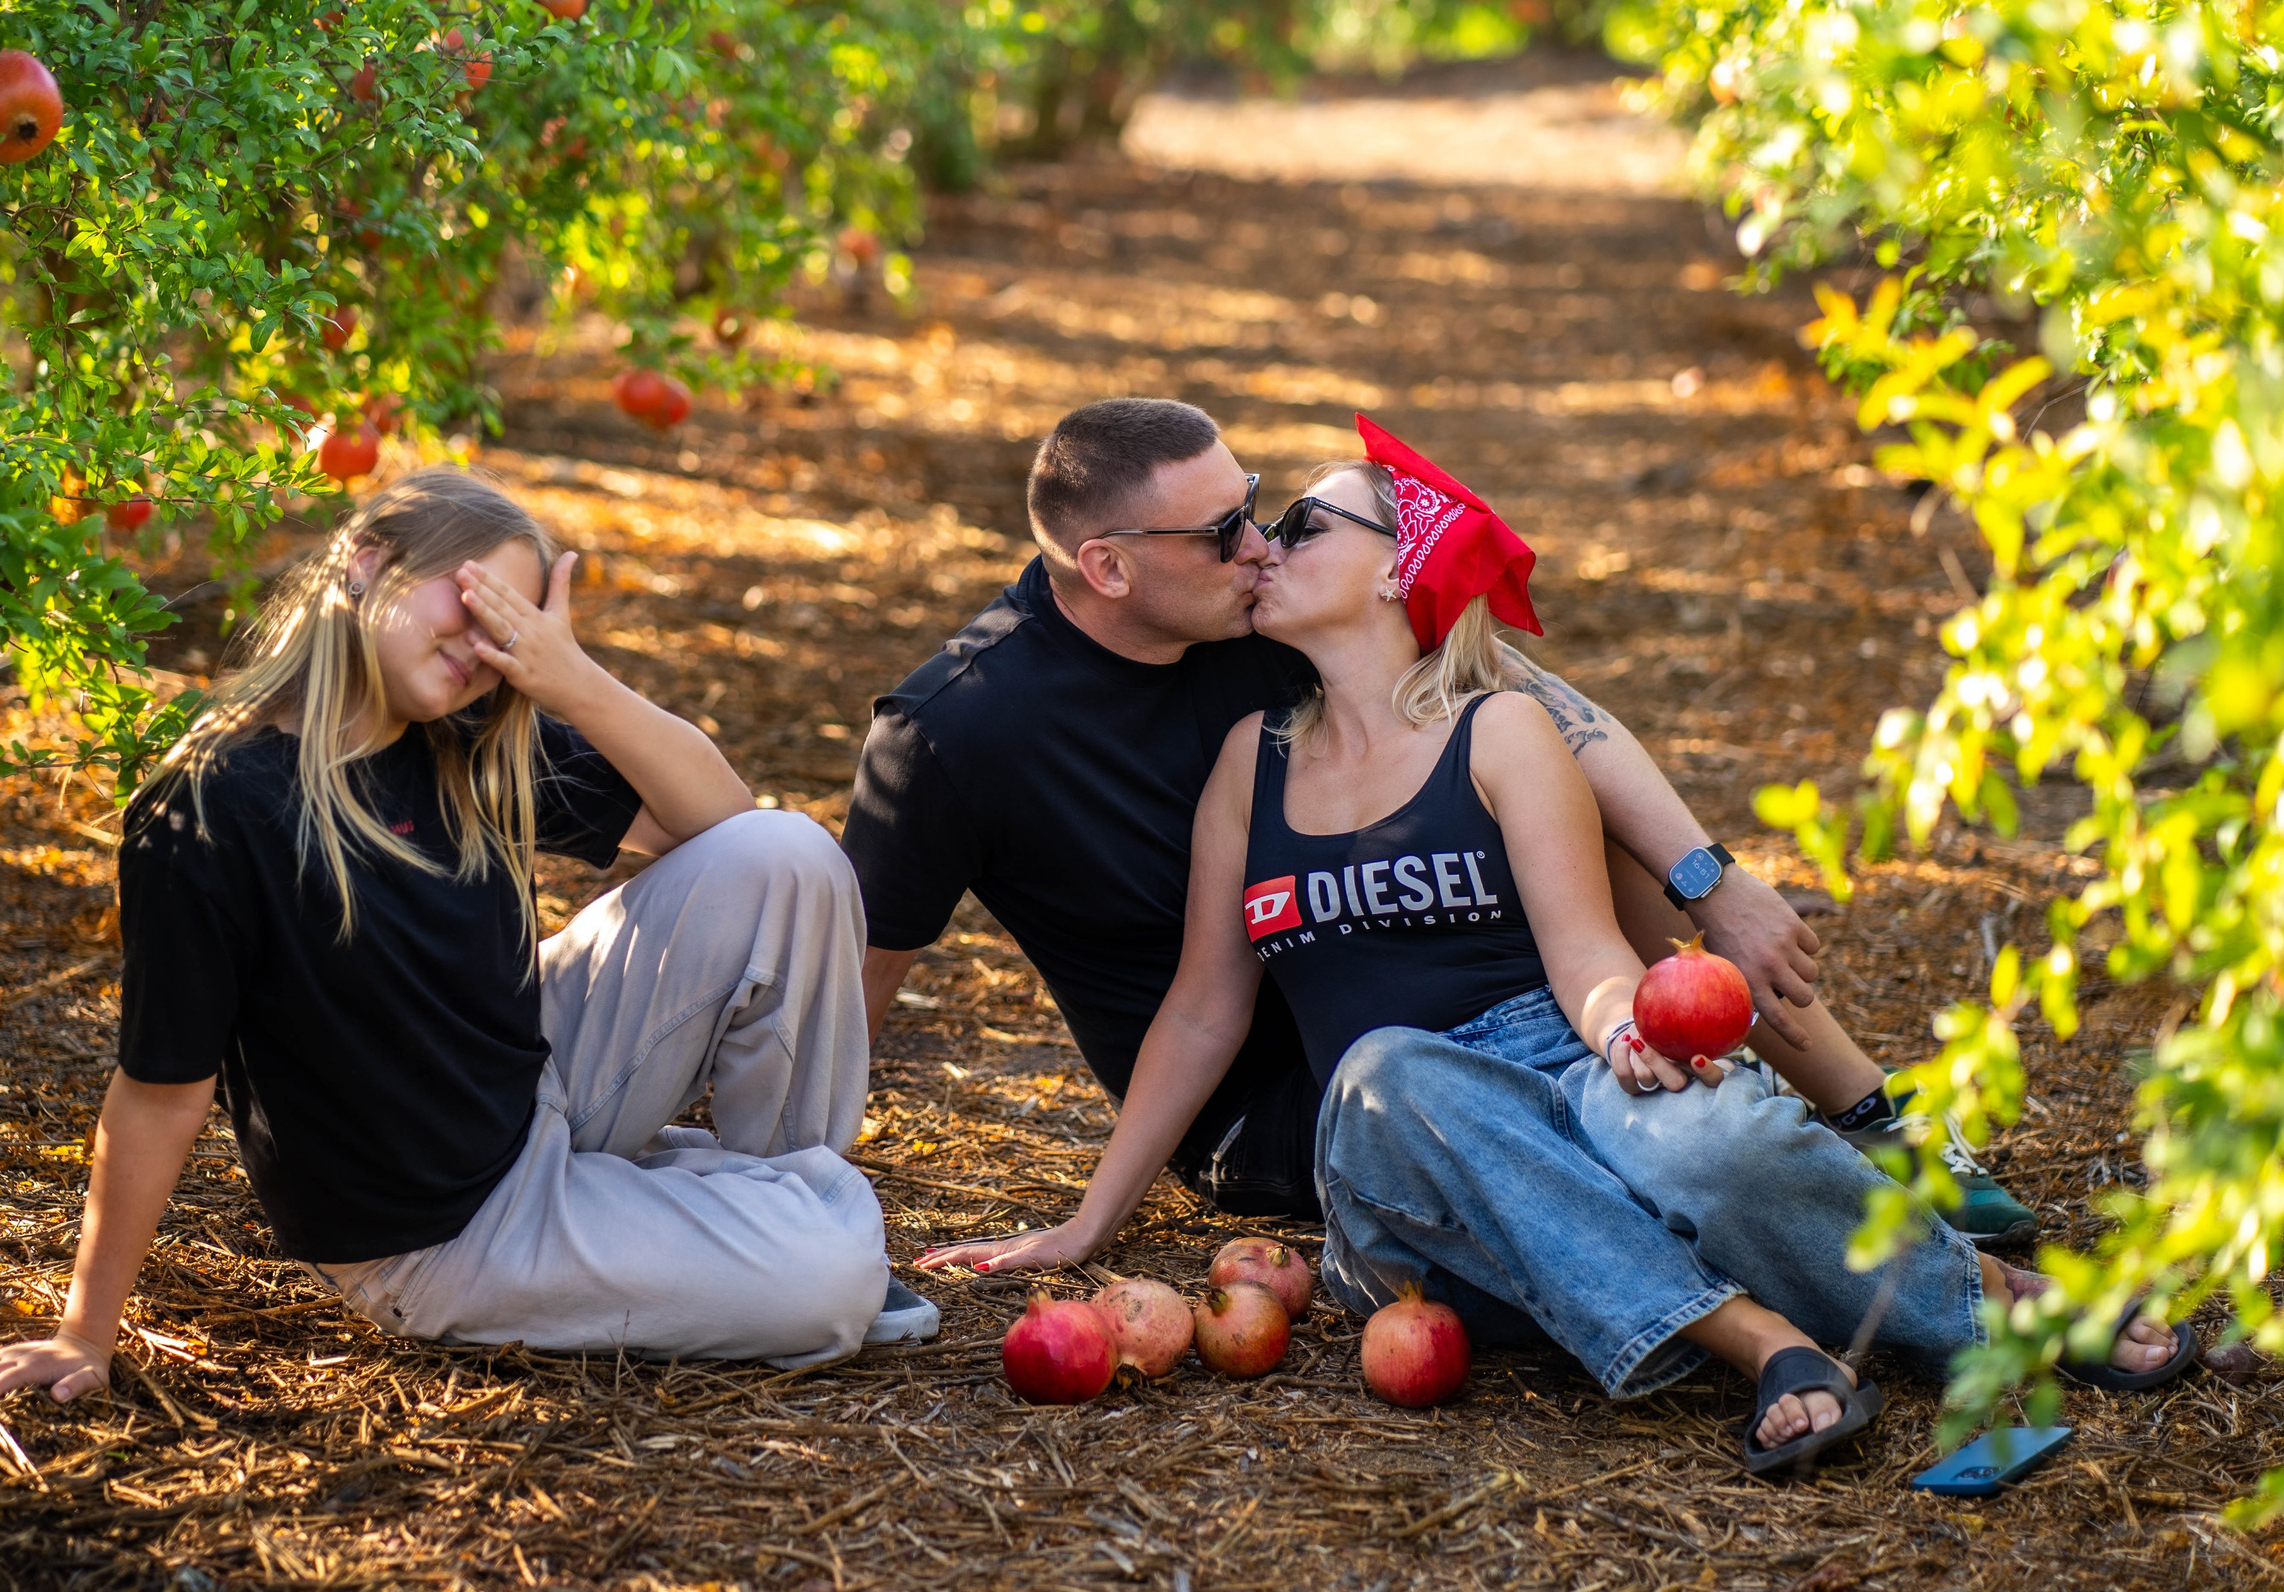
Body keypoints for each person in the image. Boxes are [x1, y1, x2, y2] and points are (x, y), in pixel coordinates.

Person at [921, 427, 2194, 1475]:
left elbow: (1586, 954)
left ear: (1389, 574)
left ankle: (1988, 1303)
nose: (1264, 541)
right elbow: (1203, 1010)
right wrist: (1090, 1220)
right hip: (1410, 1138)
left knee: (1716, 1138)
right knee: (1384, 1070)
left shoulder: (1499, 732)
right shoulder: (1245, 771)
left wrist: (1623, 1028)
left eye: (1305, 521)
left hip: (1562, 1066)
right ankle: (1766, 1341)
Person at [843, 397, 2035, 1240]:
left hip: (1471, 1003)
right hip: (1303, 1097)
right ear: (1107, 568)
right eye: (1225, 534)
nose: (1258, 546)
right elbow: (861, 981)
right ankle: (1830, 1216)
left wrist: (1711, 879)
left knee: (1589, 821)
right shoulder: (954, 732)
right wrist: (806, 1195)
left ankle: (1869, 1116)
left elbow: (1543, 708)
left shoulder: (1249, 625)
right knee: (1609, 1131)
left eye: (1263, 510)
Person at [0, 470, 932, 1407]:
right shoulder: (214, 809)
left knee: (789, 855)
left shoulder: (469, 729)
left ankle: (764, 1205)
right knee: (834, 1277)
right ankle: (786, 1236)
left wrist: (570, 680)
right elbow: (159, 1094)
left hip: (528, 1085)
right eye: (472, 602)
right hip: (442, 1232)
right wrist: (84, 1334)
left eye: (513, 627)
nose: (481, 648)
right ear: (367, 559)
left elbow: (718, 820)